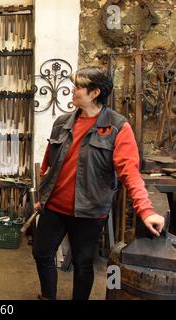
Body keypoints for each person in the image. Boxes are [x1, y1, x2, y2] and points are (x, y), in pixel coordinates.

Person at [32, 66, 165, 300]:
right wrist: (42, 197)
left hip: (89, 210)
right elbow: (49, 163)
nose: (72, 90)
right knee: (42, 253)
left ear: (95, 93)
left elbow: (129, 172)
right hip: (54, 206)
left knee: (83, 263)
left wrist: (145, 210)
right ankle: (47, 297)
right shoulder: (62, 122)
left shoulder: (117, 127)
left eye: (78, 86)